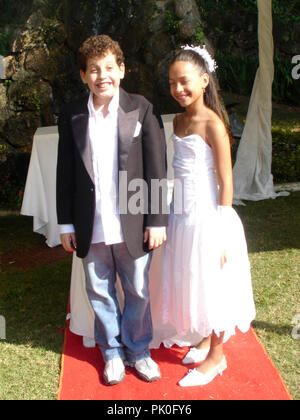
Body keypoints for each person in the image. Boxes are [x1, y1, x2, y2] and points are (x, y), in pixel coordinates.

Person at [56, 34, 168, 386]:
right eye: (93, 69)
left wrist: (158, 220)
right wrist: (65, 223)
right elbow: (65, 173)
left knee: (136, 289)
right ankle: (113, 352)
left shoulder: (141, 108)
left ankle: (138, 350)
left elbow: (157, 168)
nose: (101, 75)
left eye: (108, 67)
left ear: (121, 70)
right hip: (92, 223)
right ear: (83, 75)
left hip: (133, 222)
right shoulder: (73, 114)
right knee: (99, 290)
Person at [161, 45, 256, 387]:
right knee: (192, 278)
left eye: (184, 81)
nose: (178, 89)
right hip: (182, 212)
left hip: (209, 216)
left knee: (212, 282)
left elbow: (225, 182)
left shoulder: (213, 123)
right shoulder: (177, 119)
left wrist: (220, 230)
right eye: (172, 83)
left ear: (204, 81)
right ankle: (204, 339)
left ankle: (217, 356)